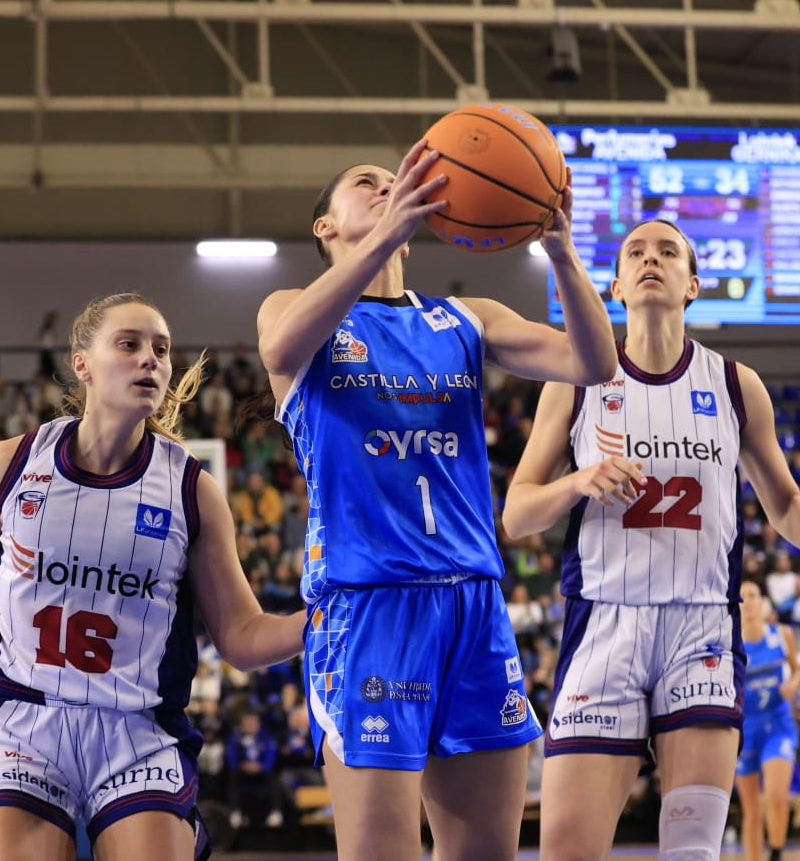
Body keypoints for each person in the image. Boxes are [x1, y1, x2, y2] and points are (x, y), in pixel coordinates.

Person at [255, 139, 617, 861]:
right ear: (326, 227)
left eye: (397, 183)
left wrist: (564, 256)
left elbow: (594, 362)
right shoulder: (293, 309)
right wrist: (388, 232)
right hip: (370, 607)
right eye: (367, 183)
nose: (389, 187)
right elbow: (279, 350)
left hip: (474, 606)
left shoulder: (465, 318)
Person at [500, 218, 800, 861]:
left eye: (668, 252)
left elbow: (785, 504)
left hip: (702, 629)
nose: (652, 260)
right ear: (616, 286)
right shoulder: (572, 383)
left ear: (693, 285)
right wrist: (579, 482)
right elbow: (516, 515)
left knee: (692, 853)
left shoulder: (736, 385)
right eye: (636, 253)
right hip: (603, 626)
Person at [0, 292, 305, 861]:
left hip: (139, 731)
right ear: (82, 364)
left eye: (161, 350)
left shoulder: (193, 489)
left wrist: (321, 621)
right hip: (25, 720)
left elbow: (240, 635)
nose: (151, 360)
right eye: (130, 344)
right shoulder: (9, 464)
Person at [734, 581, 800, 861]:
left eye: (752, 595)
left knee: (777, 797)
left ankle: (776, 853)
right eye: (742, 597)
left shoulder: (782, 634)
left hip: (778, 724)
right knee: (751, 811)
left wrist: (794, 684)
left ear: (763, 602)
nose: (748, 601)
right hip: (745, 728)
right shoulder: (730, 643)